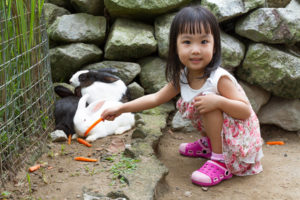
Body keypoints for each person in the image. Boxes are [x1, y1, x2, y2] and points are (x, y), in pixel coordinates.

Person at [101, 6, 263, 187]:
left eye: (203, 42)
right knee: (201, 102)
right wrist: (121, 108)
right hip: (224, 134)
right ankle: (211, 144)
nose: (195, 50)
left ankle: (220, 161)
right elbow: (155, 98)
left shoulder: (219, 79)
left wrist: (218, 101)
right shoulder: (184, 76)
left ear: (214, 45)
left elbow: (245, 112)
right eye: (187, 42)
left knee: (209, 100)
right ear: (175, 46)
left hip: (241, 144)